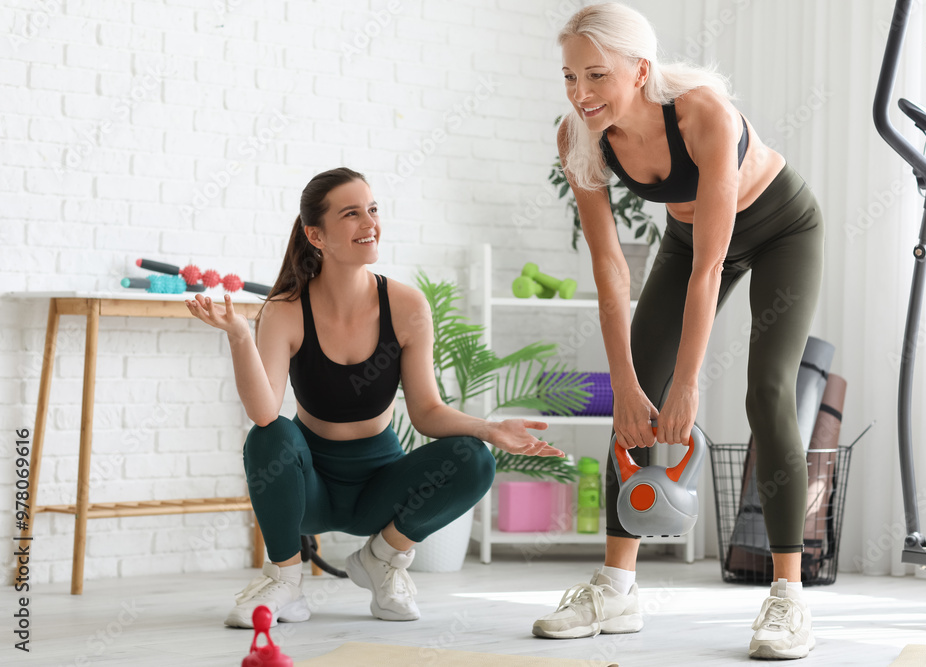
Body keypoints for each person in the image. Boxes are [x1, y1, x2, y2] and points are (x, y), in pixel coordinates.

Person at [531, 4, 824, 660]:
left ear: (640, 71)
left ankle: (788, 595)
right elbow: (610, 272)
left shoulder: (702, 113)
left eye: (596, 76)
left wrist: (688, 384)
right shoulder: (577, 135)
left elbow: (711, 269)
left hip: (781, 229)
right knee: (633, 386)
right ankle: (617, 586)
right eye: (570, 77)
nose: (581, 94)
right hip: (687, 239)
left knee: (768, 390)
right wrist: (630, 387)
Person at [187, 167, 561, 628]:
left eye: (373, 209)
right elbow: (264, 411)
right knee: (271, 435)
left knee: (475, 458)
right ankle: (284, 579)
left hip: (378, 489)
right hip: (311, 493)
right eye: (351, 214)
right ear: (315, 235)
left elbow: (426, 412)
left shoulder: (406, 306)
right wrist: (241, 337)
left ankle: (382, 558)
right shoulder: (285, 310)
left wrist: (489, 428)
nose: (370, 222)